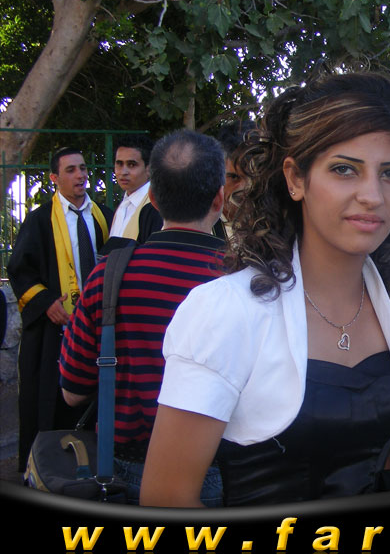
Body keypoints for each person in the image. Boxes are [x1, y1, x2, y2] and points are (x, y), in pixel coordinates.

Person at [139, 72, 390, 507]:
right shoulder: (226, 311)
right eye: (344, 169)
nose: (372, 195)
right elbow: (166, 498)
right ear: (295, 178)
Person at [59, 129, 228, 505]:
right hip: (219, 468)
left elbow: (72, 391)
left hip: (121, 470)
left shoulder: (108, 276)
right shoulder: (247, 281)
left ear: (151, 199)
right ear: (220, 198)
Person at [6, 147, 113, 472]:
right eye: (71, 170)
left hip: (98, 331)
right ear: (54, 178)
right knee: (47, 403)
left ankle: (95, 469)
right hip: (55, 331)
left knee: (96, 402)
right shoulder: (40, 220)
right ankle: (43, 471)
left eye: (83, 168)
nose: (80, 175)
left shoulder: (105, 217)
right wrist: (45, 301)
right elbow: (20, 270)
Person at [105, 134, 162, 249]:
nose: (123, 172)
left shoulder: (156, 207)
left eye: (131, 165)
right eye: (119, 164)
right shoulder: (124, 205)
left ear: (149, 169)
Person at [213, 119, 257, 240]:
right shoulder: (197, 224)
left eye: (253, 178)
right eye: (234, 177)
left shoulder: (275, 226)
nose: (244, 187)